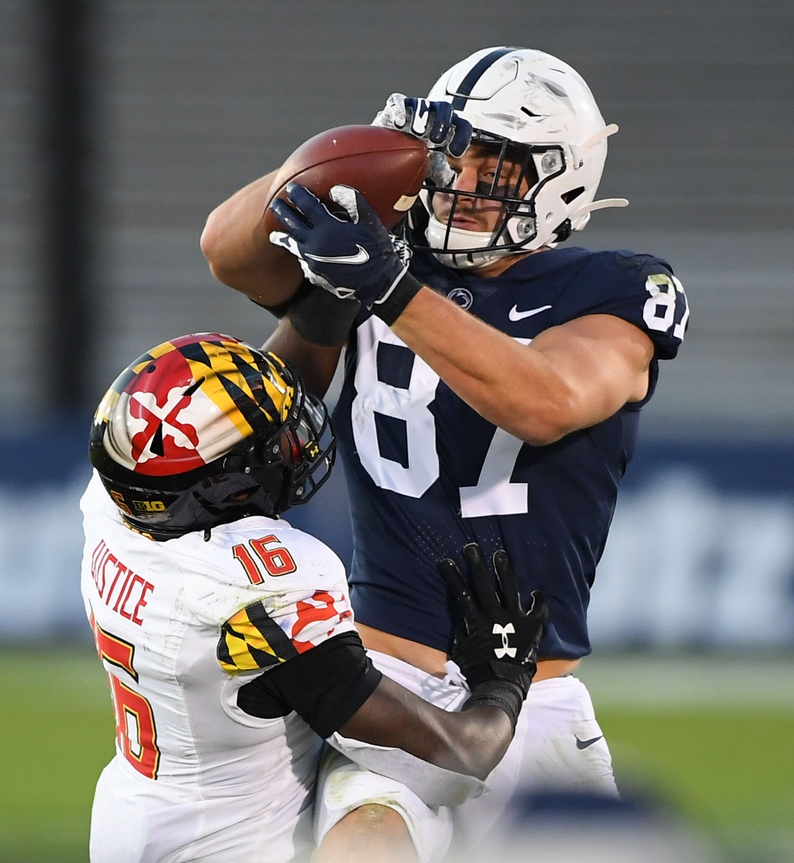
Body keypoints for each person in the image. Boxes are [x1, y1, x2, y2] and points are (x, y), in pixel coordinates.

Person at [200, 46, 688, 862]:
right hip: (387, 683)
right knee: (364, 845)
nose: (461, 180)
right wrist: (339, 161)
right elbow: (226, 246)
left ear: (560, 178)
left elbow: (545, 400)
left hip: (536, 694)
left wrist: (391, 286)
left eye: (494, 163)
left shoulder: (611, 286)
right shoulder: (376, 253)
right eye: (455, 153)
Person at [79, 332, 548, 863]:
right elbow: (457, 756)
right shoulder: (251, 592)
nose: (291, 443)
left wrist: (330, 297)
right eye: (273, 444)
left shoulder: (118, 510)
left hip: (134, 821)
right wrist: (501, 680)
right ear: (227, 487)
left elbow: (213, 425)